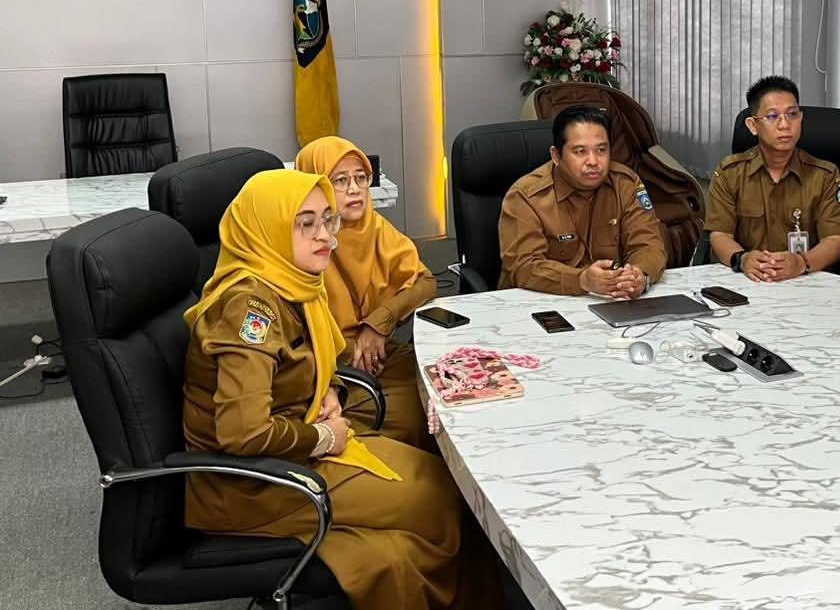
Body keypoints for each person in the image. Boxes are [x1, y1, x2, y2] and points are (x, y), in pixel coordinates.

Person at [182, 169, 470, 609]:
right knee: (439, 500)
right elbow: (244, 433)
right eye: (305, 223)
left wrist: (330, 389)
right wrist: (321, 437)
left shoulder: (291, 283)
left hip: (292, 451)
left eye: (327, 220)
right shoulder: (250, 310)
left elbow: (305, 361)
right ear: (268, 229)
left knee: (424, 517)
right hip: (254, 485)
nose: (325, 236)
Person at [296, 136, 434, 448]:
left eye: (361, 178)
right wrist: (354, 348)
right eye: (340, 180)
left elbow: (425, 281)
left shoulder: (373, 225)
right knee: (424, 416)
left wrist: (379, 323)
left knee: (445, 385)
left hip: (377, 353)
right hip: (330, 371)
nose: (355, 189)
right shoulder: (303, 240)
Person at [499, 104, 667, 297]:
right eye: (580, 151)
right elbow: (523, 266)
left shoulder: (625, 183)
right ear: (556, 156)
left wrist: (639, 275)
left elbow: (648, 244)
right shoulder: (525, 196)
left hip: (611, 300)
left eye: (601, 150)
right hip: (540, 303)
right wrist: (581, 280)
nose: (593, 161)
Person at [706, 76, 840, 282]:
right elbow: (720, 235)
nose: (785, 125)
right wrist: (743, 259)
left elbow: (835, 241)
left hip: (806, 281)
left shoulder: (825, 175)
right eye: (772, 116)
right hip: (748, 281)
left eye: (792, 114)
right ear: (753, 125)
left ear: (801, 118)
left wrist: (801, 262)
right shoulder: (730, 173)